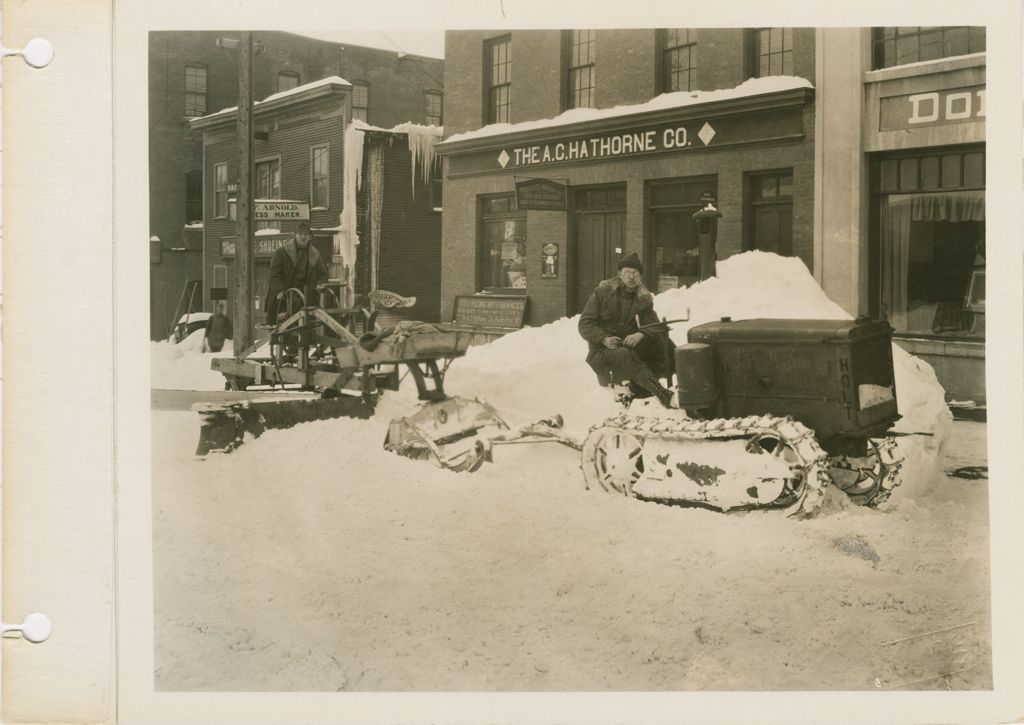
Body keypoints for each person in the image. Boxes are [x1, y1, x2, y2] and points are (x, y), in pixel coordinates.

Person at [578, 253, 675, 407]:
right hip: (603, 351)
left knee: (666, 344)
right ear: (619, 275)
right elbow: (585, 324)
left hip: (630, 346)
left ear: (640, 277)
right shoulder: (602, 294)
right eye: (627, 272)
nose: (631, 277)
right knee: (624, 354)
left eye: (636, 273)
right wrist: (604, 339)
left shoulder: (643, 298)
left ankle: (686, 387)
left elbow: (653, 324)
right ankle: (663, 395)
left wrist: (641, 334)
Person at [264, 222, 328, 325]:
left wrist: (321, 284)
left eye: (306, 234)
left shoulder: (315, 255)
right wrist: (280, 291)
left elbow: (323, 274)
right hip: (285, 293)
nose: (303, 237)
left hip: (307, 293)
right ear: (295, 235)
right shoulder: (282, 253)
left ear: (310, 237)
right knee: (297, 304)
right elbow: (274, 274)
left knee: (323, 306)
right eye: (300, 234)